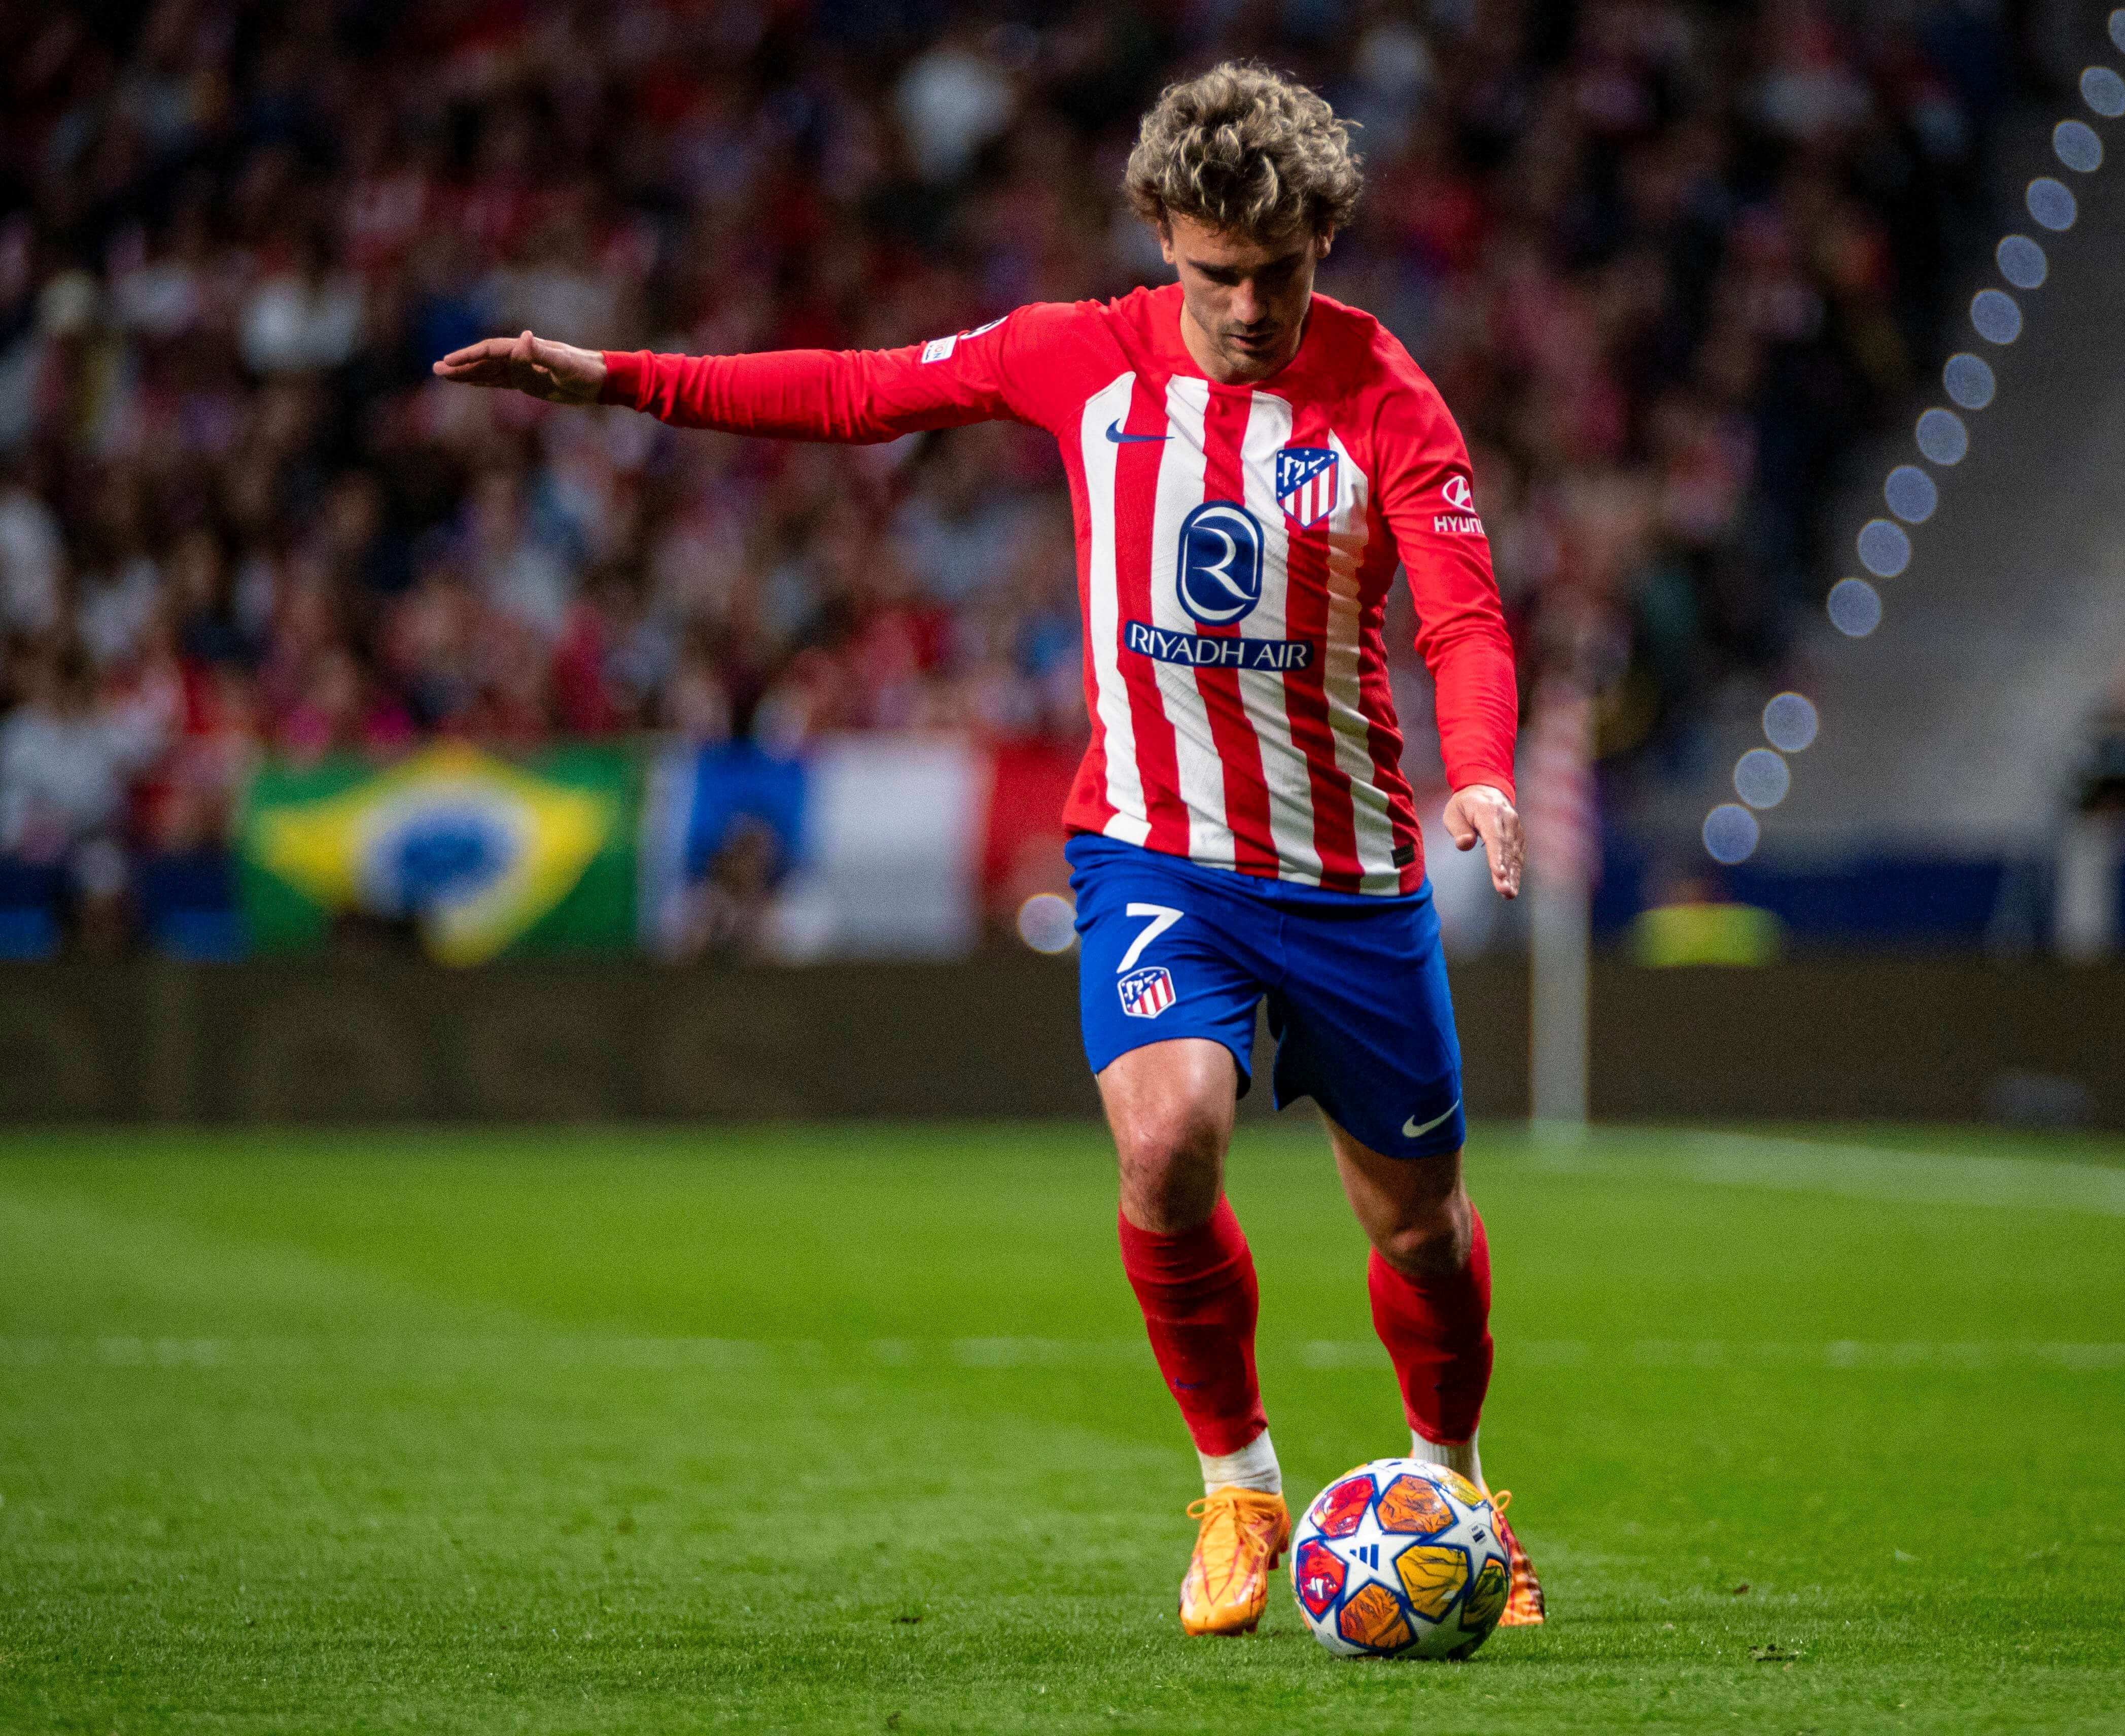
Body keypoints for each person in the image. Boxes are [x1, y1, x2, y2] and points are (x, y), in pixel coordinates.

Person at [434, 61, 1539, 1640]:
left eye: (1279, 273)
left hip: (1352, 877)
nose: (1247, 308)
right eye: (1217, 273)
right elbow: (856, 392)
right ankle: (1238, 1486)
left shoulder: (1387, 397)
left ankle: (1455, 1489)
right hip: (1155, 856)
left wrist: (1481, 773)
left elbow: (1465, 618)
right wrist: (616, 380)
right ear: (1162, 238)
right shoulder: (1077, 355)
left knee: (1417, 1229)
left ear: (1324, 245)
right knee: (1166, 1148)